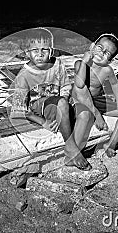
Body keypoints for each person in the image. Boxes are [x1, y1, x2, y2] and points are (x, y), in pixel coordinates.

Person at [10, 27, 92, 171]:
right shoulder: (23, 76)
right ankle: (72, 148)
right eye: (35, 51)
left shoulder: (57, 64)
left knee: (85, 113)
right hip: (40, 107)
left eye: (45, 50)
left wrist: (64, 104)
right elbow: (18, 110)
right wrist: (43, 122)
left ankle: (70, 155)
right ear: (27, 53)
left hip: (59, 102)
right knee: (61, 103)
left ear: (52, 51)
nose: (40, 55)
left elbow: (66, 86)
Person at [72, 33, 118, 158]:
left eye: (107, 53)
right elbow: (79, 84)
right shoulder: (80, 64)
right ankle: (75, 153)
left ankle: (111, 145)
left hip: (97, 99)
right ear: (92, 46)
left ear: (111, 60)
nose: (101, 53)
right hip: (80, 100)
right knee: (85, 117)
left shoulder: (107, 70)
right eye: (99, 47)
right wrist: (84, 62)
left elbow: (115, 85)